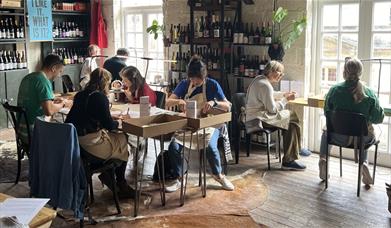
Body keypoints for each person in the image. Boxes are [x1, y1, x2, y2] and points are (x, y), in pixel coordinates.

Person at [165, 55, 234, 192]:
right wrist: (179, 101)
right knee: (173, 147)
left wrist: (214, 102)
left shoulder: (212, 84)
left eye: (197, 79)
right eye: (192, 78)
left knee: (210, 147)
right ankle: (179, 178)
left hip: (210, 124)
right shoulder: (185, 84)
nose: (195, 82)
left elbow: (228, 106)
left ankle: (218, 175)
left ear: (203, 76)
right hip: (189, 124)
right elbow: (167, 102)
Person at [65, 68, 135, 198]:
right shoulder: (99, 97)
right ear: (105, 83)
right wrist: (119, 122)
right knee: (123, 140)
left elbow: (87, 116)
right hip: (90, 145)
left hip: (75, 143)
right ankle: (121, 183)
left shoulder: (81, 95)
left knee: (116, 140)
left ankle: (109, 176)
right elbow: (109, 125)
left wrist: (108, 118)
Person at [318, 57, 384, 185]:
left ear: (344, 72)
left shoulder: (334, 90)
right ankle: (363, 163)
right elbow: (378, 118)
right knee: (366, 131)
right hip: (361, 140)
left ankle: (323, 158)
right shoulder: (369, 93)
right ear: (360, 73)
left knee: (326, 132)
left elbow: (327, 113)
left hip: (339, 137)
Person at [245, 60, 309, 170]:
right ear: (272, 71)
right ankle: (292, 156)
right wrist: (285, 100)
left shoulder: (259, 79)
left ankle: (292, 156)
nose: (282, 75)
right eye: (280, 72)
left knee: (291, 124)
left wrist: (283, 94)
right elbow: (273, 110)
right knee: (291, 115)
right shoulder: (265, 85)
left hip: (255, 116)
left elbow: (270, 94)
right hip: (257, 120)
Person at [17, 54, 71, 142]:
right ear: (53, 68)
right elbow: (49, 111)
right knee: (67, 136)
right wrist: (63, 104)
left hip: (21, 129)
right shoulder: (43, 81)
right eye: (60, 71)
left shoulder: (28, 77)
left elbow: (34, 100)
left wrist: (52, 101)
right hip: (33, 132)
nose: (59, 75)